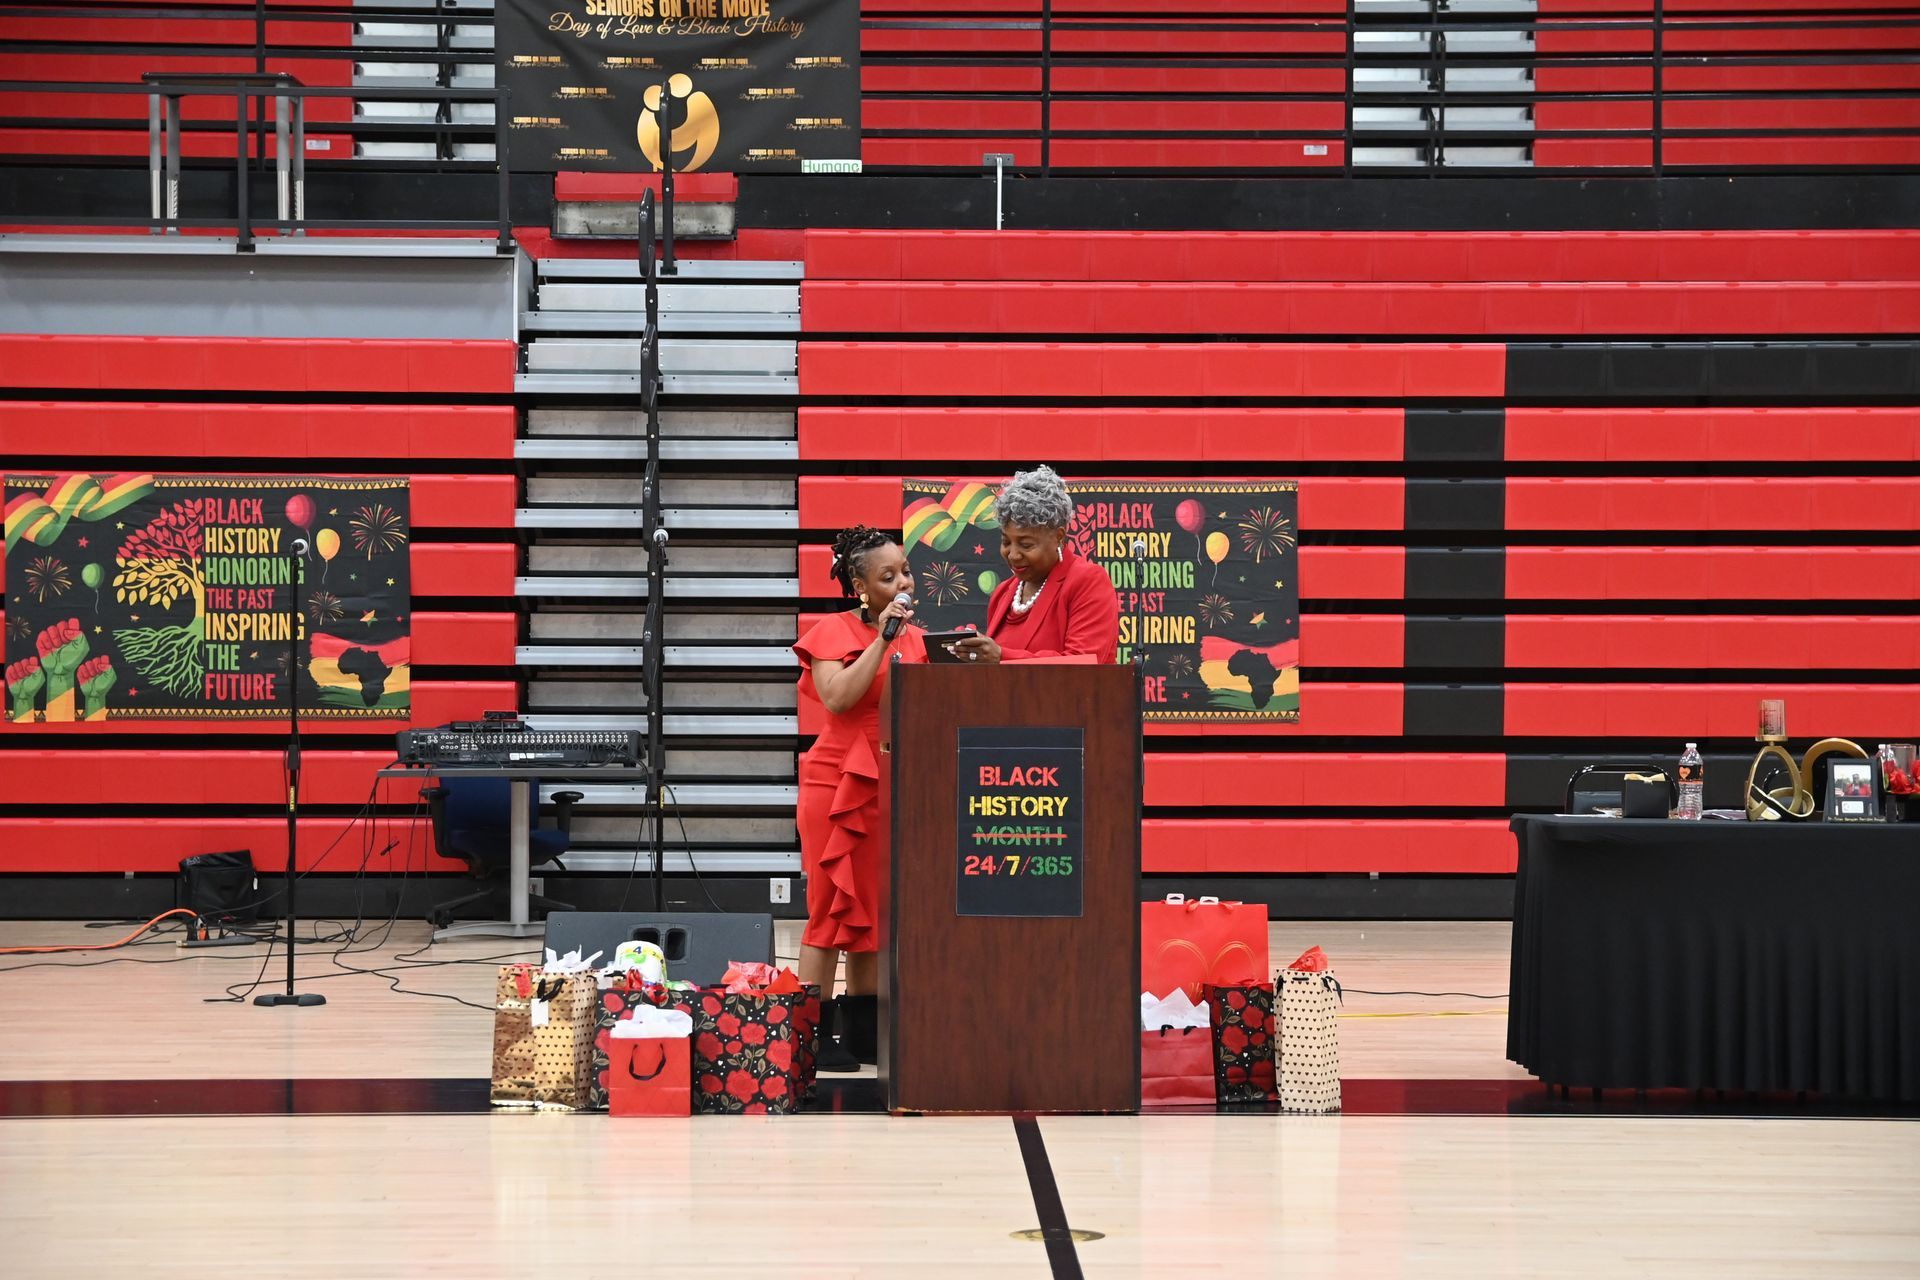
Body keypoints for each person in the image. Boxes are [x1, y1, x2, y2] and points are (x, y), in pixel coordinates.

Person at [793, 525, 925, 1070]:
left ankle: (866, 1034)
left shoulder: (920, 640)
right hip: (837, 784)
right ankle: (810, 1037)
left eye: (906, 571)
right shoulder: (832, 630)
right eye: (887, 576)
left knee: (874, 912)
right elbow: (839, 698)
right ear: (861, 586)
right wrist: (883, 641)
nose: (903, 583)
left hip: (891, 783)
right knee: (829, 910)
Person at [951, 465, 1121, 665]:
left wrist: (1001, 657)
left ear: (1058, 537)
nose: (1013, 555)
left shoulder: (1087, 581)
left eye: (1026, 545)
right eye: (1006, 542)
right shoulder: (1003, 593)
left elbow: (1084, 665)